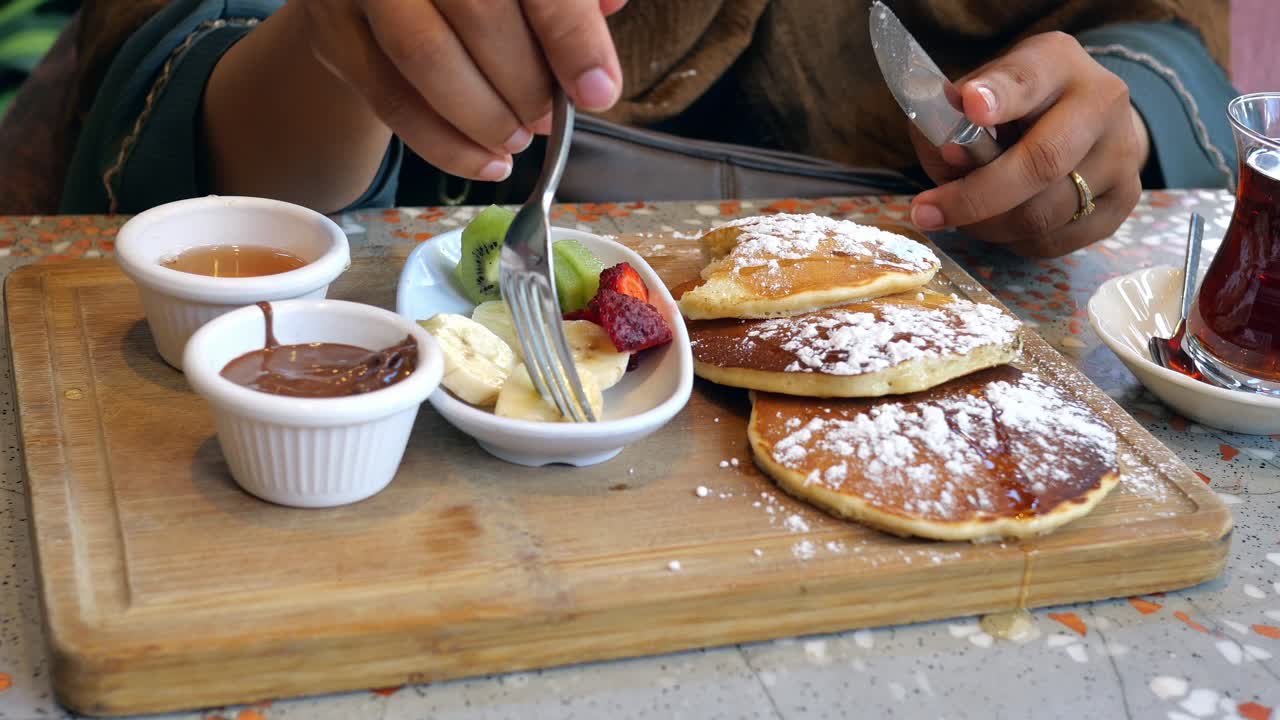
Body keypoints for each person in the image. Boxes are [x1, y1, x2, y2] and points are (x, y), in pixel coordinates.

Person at [59, 0, 1236, 257]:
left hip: (944, 285)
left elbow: (1154, 40)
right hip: (394, 257)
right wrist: (342, 46)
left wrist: (1093, 131)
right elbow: (172, 96)